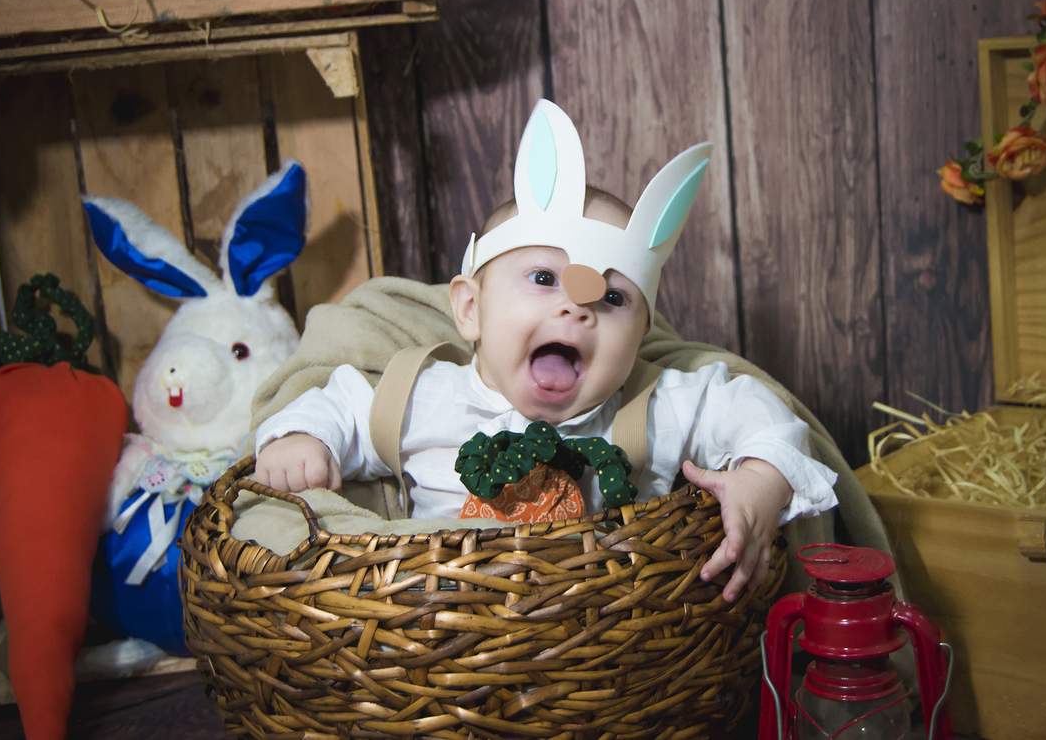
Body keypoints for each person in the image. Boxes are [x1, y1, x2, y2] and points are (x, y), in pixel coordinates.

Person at [253, 100, 838, 601]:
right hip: (437, 626)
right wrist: (302, 440)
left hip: (599, 632)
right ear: (470, 310)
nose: (577, 309)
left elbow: (758, 412)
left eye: (612, 297)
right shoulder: (425, 396)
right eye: (542, 279)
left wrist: (761, 480)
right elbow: (339, 404)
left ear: (640, 339)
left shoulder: (656, 408)